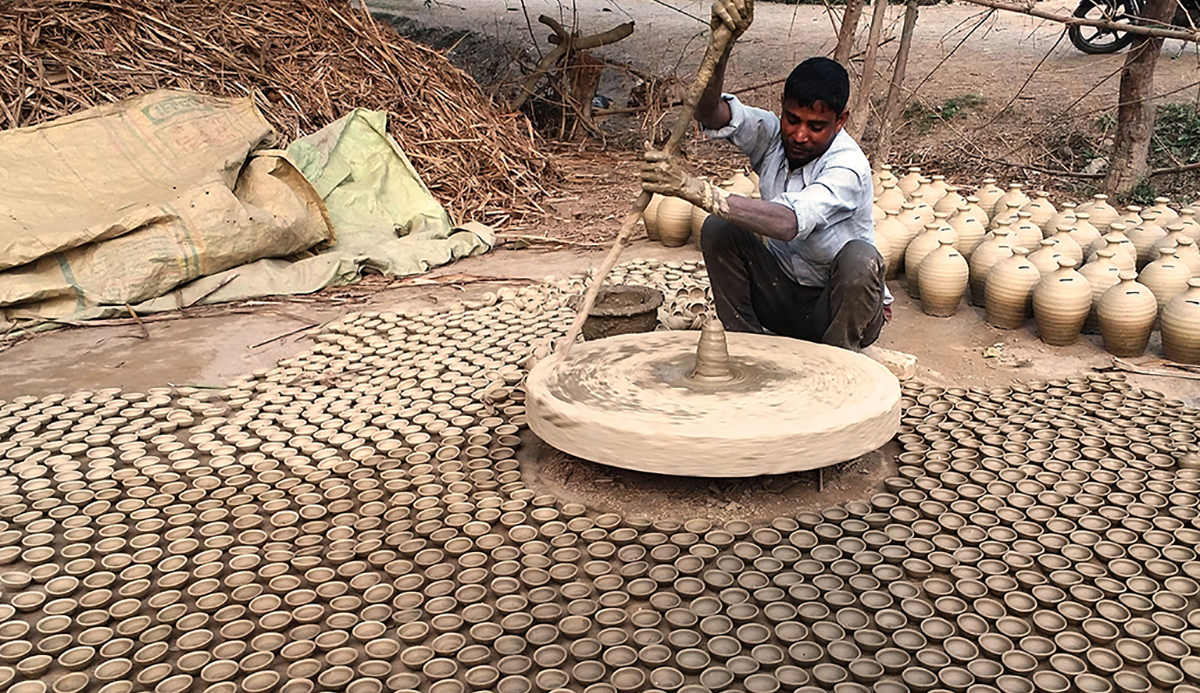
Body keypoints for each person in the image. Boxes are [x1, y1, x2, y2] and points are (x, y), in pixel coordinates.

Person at [640, 0, 890, 352]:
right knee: (719, 228)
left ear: (841, 121)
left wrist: (695, 190)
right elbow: (711, 113)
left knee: (860, 259)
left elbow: (790, 222)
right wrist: (721, 46)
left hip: (835, 306)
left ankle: (838, 369)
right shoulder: (773, 136)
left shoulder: (847, 166)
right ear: (782, 106)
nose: (800, 135)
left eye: (816, 126)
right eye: (792, 119)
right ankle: (747, 348)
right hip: (783, 297)